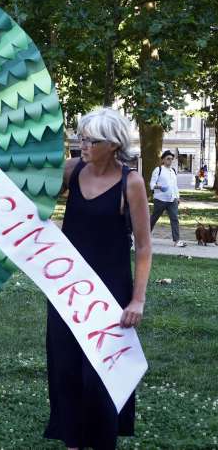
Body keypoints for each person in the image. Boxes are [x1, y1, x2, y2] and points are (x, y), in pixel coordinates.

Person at [45, 106, 152, 450]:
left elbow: (145, 247)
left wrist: (137, 299)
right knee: (65, 370)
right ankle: (73, 442)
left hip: (110, 293)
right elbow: (35, 200)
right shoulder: (72, 170)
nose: (82, 143)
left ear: (113, 144)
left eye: (91, 139)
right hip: (67, 290)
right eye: (82, 136)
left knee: (101, 378)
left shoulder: (130, 183)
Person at [149, 150, 185, 247]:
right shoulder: (158, 170)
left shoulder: (173, 171)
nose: (170, 161)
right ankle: (144, 238)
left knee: (174, 219)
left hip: (172, 200)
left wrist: (177, 197)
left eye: (171, 159)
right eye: (168, 159)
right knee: (153, 219)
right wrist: (159, 187)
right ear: (163, 160)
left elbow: (174, 186)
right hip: (160, 199)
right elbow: (151, 185)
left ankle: (176, 241)